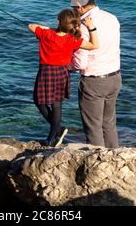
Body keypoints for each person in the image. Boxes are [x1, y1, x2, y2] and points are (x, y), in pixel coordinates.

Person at [28, 8, 99, 147]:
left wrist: (50, 28)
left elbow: (31, 26)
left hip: (45, 72)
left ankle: (54, 134)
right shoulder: (73, 39)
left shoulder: (47, 33)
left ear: (59, 22)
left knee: (39, 101)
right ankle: (55, 133)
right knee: (56, 105)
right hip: (62, 73)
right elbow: (94, 45)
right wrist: (91, 27)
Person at [68, 0, 121, 148]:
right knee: (109, 123)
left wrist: (66, 65)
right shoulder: (112, 18)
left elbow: (80, 63)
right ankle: (115, 158)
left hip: (94, 82)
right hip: (115, 77)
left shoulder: (82, 27)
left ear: (79, 5)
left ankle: (99, 164)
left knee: (93, 127)